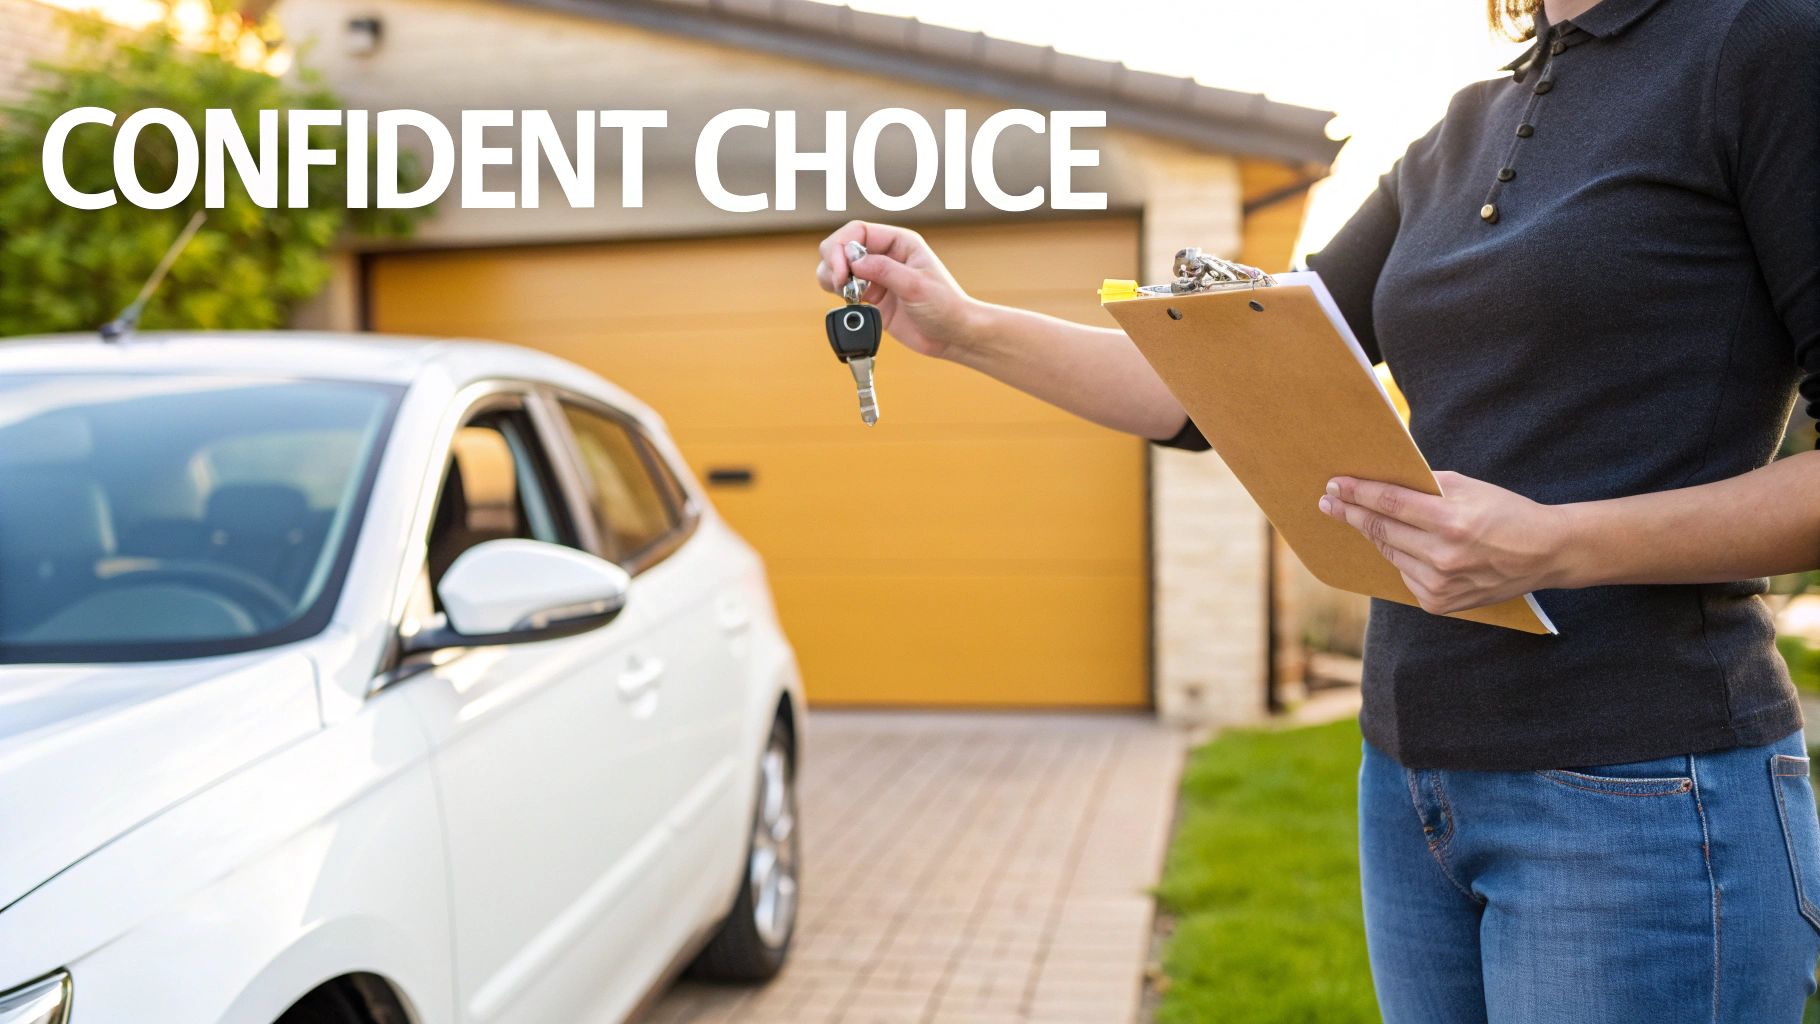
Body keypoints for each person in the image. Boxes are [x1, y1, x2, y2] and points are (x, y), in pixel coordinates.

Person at [814, 0, 1820, 1019]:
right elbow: (1217, 386)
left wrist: (1556, 546)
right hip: (1412, 779)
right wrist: (963, 327)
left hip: (1645, 785)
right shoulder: (1457, 133)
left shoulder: (1765, 45)